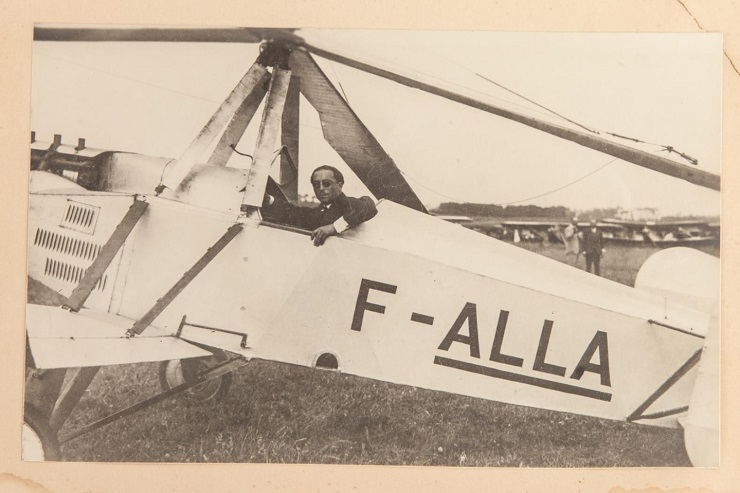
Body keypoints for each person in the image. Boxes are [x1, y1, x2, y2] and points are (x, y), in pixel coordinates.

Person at [261, 165, 377, 246]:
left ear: (340, 185)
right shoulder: (321, 211)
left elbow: (368, 207)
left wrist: (334, 227)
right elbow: (295, 213)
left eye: (327, 184)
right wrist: (269, 200)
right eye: (316, 185)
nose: (321, 189)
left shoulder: (348, 203)